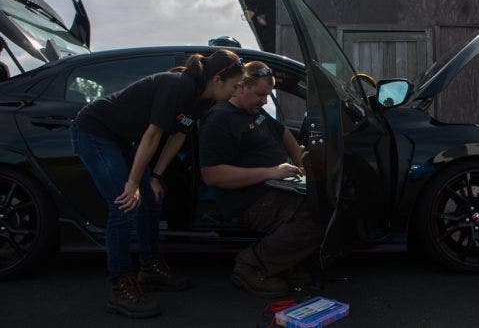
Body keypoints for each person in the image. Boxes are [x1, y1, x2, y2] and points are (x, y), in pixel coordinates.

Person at [70, 49, 244, 318]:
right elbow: (152, 135)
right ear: (218, 80)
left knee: (150, 201)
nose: (236, 93)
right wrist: (131, 183)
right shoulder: (179, 86)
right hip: (95, 132)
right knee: (125, 204)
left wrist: (155, 177)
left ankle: (149, 268)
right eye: (235, 86)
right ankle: (120, 285)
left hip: (122, 140)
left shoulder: (203, 99)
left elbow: (178, 137)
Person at [200, 61, 322, 298]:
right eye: (260, 94)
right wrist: (271, 172)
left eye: (267, 95)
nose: (265, 101)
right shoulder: (219, 119)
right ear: (241, 87)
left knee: (323, 200)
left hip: (274, 185)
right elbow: (212, 174)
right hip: (248, 198)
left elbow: (283, 132)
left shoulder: (253, 111)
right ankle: (251, 266)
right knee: (315, 213)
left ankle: (281, 264)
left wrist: (301, 166)